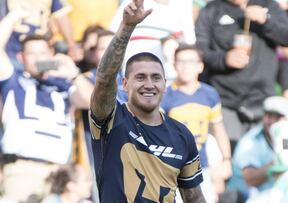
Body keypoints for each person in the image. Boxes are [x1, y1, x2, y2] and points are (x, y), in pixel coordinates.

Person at [89, 0, 205, 202]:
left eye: (156, 77)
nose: (149, 84)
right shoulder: (111, 119)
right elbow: (105, 79)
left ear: (165, 84)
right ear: (125, 84)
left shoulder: (182, 134)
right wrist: (127, 28)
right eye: (140, 77)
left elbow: (194, 198)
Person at [0, 10, 92, 202]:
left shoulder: (64, 85)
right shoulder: (12, 81)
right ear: (20, 58)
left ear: (51, 54)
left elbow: (94, 102)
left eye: (42, 53)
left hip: (59, 175)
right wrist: (12, 18)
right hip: (22, 171)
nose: (38, 58)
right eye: (31, 54)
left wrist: (74, 74)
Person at [195, 0, 288, 151]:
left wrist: (266, 20)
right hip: (226, 102)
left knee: (260, 157)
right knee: (229, 156)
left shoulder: (267, 4)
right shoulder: (212, 9)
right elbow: (200, 51)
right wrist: (224, 59)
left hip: (262, 101)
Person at [161, 44, 232, 203]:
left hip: (201, 167)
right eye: (181, 61)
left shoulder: (210, 94)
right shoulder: (165, 95)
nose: (186, 66)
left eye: (191, 61)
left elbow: (218, 128)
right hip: (171, 169)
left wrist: (226, 159)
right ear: (174, 65)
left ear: (200, 66)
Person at [225, 96, 288, 203]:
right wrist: (279, 162)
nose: (273, 121)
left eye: (278, 117)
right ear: (263, 116)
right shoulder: (250, 140)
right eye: (269, 116)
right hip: (246, 197)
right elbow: (250, 179)